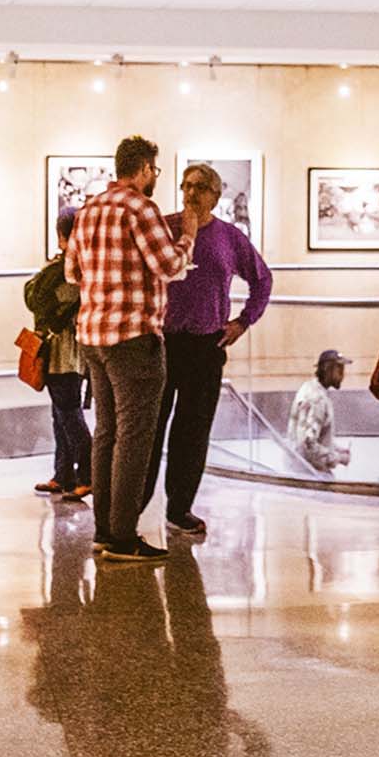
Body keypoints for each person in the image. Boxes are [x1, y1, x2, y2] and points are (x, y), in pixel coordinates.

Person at [66, 136, 198, 563]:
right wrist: (188, 237)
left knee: (106, 433)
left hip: (93, 337)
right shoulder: (141, 208)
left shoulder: (89, 209)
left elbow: (72, 272)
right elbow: (169, 266)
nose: (154, 177)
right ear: (142, 168)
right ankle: (123, 537)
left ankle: (104, 531)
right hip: (134, 337)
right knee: (135, 437)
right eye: (154, 171)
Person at [143, 163, 273, 537]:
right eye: (185, 185)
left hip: (206, 345)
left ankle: (179, 508)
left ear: (216, 196)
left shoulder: (229, 238)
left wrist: (243, 321)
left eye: (200, 187)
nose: (190, 193)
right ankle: (133, 505)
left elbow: (262, 280)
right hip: (162, 343)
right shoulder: (165, 228)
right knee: (149, 428)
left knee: (193, 431)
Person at [28, 210, 92, 500]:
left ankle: (88, 474)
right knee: (60, 414)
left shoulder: (68, 270)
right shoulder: (80, 266)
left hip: (65, 352)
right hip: (68, 351)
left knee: (68, 413)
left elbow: (36, 298)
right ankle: (63, 474)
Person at [289, 350, 351, 475]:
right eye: (339, 369)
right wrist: (338, 458)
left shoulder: (309, 388)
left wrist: (336, 449)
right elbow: (308, 444)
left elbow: (313, 436)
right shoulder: (317, 400)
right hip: (309, 476)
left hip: (297, 470)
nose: (343, 375)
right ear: (327, 369)